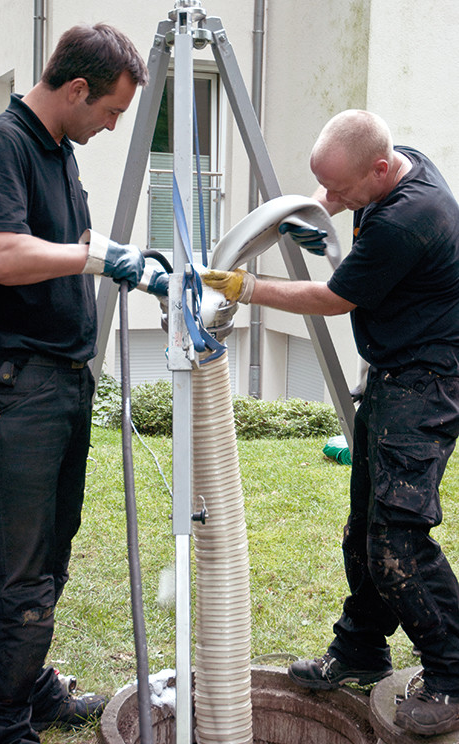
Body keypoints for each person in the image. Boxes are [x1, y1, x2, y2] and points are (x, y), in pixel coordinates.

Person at [203, 109, 459, 738]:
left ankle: (453, 674)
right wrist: (316, 210)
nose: (334, 202)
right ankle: (362, 649)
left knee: (396, 536)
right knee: (365, 525)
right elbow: (335, 193)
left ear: (379, 169)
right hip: (396, 373)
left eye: (341, 193)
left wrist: (245, 286)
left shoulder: (409, 219)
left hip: (429, 380)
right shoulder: (396, 162)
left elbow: (334, 299)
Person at [0, 23, 149, 744]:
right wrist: (95, 260)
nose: (110, 125)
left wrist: (124, 259)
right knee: (17, 571)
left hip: (60, 385)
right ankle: (4, 725)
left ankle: (29, 687)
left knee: (49, 556)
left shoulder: (59, 153)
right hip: (14, 394)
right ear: (76, 89)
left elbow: (63, 252)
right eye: (110, 111)